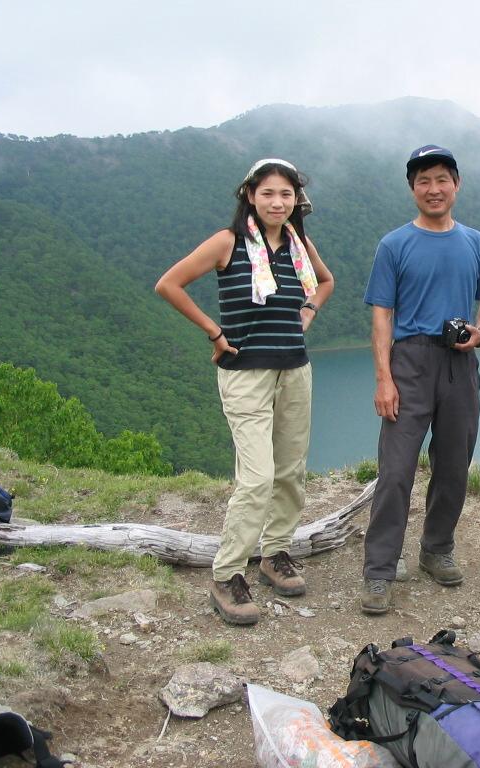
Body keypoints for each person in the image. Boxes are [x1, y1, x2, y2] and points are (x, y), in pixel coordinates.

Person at [155, 159, 334, 626]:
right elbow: (169, 284)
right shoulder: (227, 242)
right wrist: (214, 332)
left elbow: (326, 281)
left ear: (297, 200)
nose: (277, 202)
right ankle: (227, 573)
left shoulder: (299, 245)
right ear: (250, 196)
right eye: (268, 193)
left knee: (290, 472)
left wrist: (309, 311)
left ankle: (275, 553)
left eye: (286, 194)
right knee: (257, 478)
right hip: (245, 374)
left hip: (294, 370)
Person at [360, 145, 480, 615]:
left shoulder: (475, 242)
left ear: (456, 185)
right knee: (396, 469)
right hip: (410, 361)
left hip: (460, 361)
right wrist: (384, 378)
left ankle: (436, 548)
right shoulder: (394, 244)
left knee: (454, 464)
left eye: (442, 179)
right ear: (412, 189)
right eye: (424, 181)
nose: (434, 189)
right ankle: (380, 570)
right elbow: (382, 316)